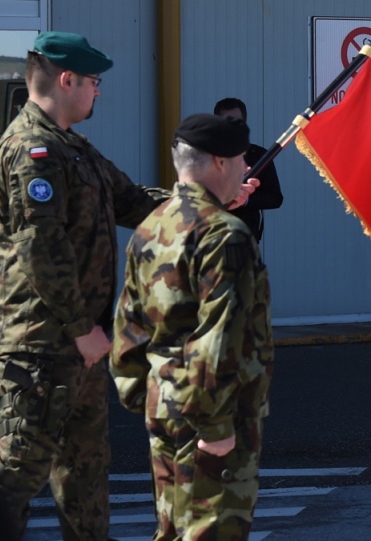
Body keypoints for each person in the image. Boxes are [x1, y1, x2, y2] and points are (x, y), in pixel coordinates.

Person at [0, 32, 257, 540]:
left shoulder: (75, 149)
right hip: (41, 343)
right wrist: (81, 327)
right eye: (93, 81)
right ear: (67, 81)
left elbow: (132, 200)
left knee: (84, 475)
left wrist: (210, 198)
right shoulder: (31, 152)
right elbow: (40, 249)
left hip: (79, 346)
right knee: (18, 470)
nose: (98, 91)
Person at [111, 114, 274, 539]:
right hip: (213, 417)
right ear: (221, 163)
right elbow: (218, 338)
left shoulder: (152, 226)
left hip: (163, 404)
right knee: (210, 530)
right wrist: (217, 430)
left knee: (172, 529)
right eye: (241, 159)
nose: (244, 168)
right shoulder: (225, 235)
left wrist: (142, 394)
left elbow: (128, 322)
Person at [214, 97, 283, 242]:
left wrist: (244, 199)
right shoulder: (204, 155)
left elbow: (275, 199)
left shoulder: (259, 156)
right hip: (210, 238)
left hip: (245, 241)